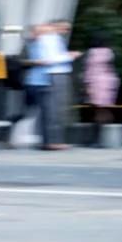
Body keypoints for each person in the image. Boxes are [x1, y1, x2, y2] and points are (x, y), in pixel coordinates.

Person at [24, 22, 75, 150]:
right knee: (53, 110)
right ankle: (51, 141)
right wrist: (69, 56)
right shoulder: (47, 39)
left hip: (43, 79)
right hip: (50, 76)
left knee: (48, 110)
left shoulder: (39, 41)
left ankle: (48, 141)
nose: (66, 30)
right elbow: (49, 59)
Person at [82, 32, 119, 147]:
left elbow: (89, 71)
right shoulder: (110, 53)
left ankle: (95, 139)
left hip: (96, 83)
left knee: (97, 111)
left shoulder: (91, 54)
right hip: (109, 82)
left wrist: (86, 86)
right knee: (104, 110)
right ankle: (99, 139)